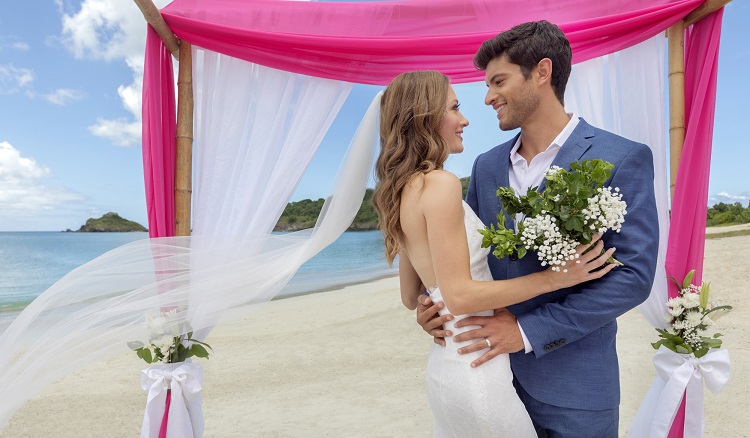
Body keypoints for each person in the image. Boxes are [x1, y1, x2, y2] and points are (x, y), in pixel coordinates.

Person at [415, 21, 659, 437]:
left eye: (498, 81)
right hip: (488, 379)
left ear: (542, 72)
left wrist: (527, 331)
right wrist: (433, 306)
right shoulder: (485, 166)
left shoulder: (622, 157)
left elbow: (633, 278)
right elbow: (465, 257)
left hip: (575, 389)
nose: (488, 96)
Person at [372, 70, 617, 437]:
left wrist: (428, 308)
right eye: (454, 108)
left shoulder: (403, 191)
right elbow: (460, 295)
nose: (465, 119)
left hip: (447, 366)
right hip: (476, 368)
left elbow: (412, 296)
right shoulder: (441, 184)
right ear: (424, 118)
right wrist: (556, 277)